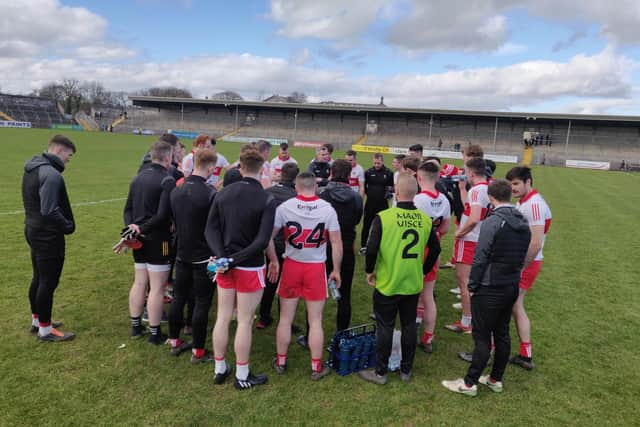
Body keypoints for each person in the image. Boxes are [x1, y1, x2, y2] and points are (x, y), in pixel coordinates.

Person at [442, 179, 531, 396]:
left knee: (482, 336)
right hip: (510, 284)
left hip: (490, 286)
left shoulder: (493, 221)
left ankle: (469, 384)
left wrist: (472, 285)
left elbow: (481, 256)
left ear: (491, 198)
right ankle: (494, 379)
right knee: (502, 334)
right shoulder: (522, 220)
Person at [205, 145, 278, 390]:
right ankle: (242, 374)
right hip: (247, 266)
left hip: (225, 265)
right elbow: (261, 241)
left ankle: (220, 367)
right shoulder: (267, 197)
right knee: (245, 321)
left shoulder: (223, 192)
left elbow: (210, 230)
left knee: (223, 317)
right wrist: (231, 259)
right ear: (262, 169)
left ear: (240, 167)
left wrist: (222, 257)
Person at [358, 173, 441, 385]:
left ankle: (380, 372)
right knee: (409, 325)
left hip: (388, 282)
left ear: (396, 191)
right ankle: (406, 370)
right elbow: (436, 248)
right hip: (412, 283)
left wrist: (369, 271)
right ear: (416, 193)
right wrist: (423, 270)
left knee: (385, 325)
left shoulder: (384, 217)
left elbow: (372, 249)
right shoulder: (425, 219)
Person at [271, 172, 342, 380]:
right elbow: (337, 242)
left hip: (292, 265)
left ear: (296, 187)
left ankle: (281, 360)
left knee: (285, 319)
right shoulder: (327, 209)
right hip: (315, 267)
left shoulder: (285, 207)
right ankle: (315, 366)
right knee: (316, 320)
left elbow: (268, 237)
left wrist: (274, 259)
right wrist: (336, 269)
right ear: (315, 187)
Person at [120, 141, 175, 344]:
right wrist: (140, 229)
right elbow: (162, 216)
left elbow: (127, 210)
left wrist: (132, 230)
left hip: (138, 240)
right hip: (158, 240)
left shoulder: (138, 178)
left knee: (140, 281)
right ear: (167, 158)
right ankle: (154, 333)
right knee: (157, 287)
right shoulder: (167, 180)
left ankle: (136, 327)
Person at [23, 135, 77, 342]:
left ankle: (37, 321)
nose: (68, 162)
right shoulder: (51, 174)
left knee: (38, 277)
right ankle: (45, 331)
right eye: (68, 157)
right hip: (47, 236)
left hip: (32, 230)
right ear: (59, 151)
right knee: (47, 281)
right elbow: (49, 210)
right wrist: (67, 226)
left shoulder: (32, 167)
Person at [167, 149, 219, 362]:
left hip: (181, 253)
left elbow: (174, 221)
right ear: (209, 167)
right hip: (203, 255)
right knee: (202, 302)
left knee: (178, 297)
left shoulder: (176, 190)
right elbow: (215, 226)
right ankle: (198, 350)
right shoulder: (209, 193)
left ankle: (174, 341)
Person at [506, 166, 552, 370]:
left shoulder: (534, 204)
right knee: (514, 305)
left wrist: (521, 266)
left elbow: (535, 243)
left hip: (528, 262)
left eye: (516, 183)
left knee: (512, 305)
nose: (512, 188)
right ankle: (525, 353)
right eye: (510, 184)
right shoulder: (524, 202)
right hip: (523, 262)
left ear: (528, 182)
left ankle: (515, 351)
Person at [445, 157, 491, 334]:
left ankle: (466, 322)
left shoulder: (478, 191)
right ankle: (474, 319)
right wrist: (463, 189)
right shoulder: (485, 189)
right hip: (480, 239)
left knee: (464, 282)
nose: (463, 174)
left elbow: (473, 218)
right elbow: (469, 209)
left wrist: (460, 233)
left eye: (465, 171)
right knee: (473, 282)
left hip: (470, 239)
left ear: (471, 172)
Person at [320, 159, 363, 331]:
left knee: (317, 294)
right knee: (345, 294)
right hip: (345, 247)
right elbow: (357, 219)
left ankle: (311, 334)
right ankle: (341, 333)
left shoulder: (322, 194)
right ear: (348, 175)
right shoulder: (355, 197)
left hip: (324, 248)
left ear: (331, 173)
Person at [256, 163, 300, 329]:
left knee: (271, 279)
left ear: (281, 174)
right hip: (287, 244)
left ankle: (264, 317)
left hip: (269, 242)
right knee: (286, 283)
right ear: (295, 178)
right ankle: (284, 320)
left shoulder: (267, 192)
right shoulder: (295, 197)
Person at [414, 161, 451, 353]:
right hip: (434, 248)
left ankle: (410, 329)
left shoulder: (417, 200)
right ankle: (428, 337)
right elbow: (445, 227)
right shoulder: (444, 200)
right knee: (428, 294)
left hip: (416, 249)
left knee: (410, 291)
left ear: (419, 178)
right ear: (437, 177)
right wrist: (436, 237)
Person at [360, 153, 394, 254]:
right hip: (370, 204)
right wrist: (370, 194)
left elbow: (390, 187)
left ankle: (381, 246)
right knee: (366, 225)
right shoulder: (368, 172)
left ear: (382, 161)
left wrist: (388, 193)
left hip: (383, 205)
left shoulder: (388, 173)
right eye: (375, 163)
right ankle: (363, 246)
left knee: (383, 226)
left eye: (378, 163)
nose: (376, 165)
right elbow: (364, 186)